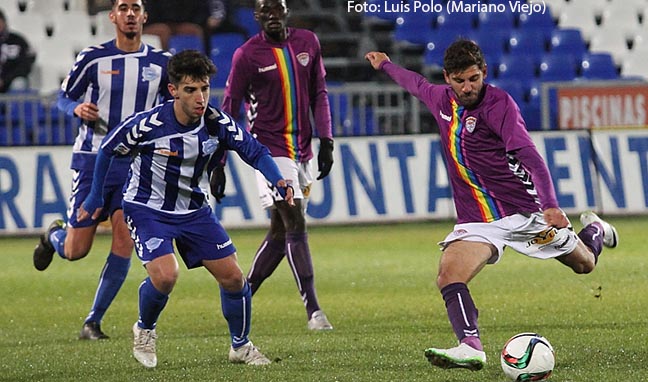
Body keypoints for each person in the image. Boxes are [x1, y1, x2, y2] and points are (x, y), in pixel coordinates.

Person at [365, 40, 619, 371]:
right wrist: (385, 64)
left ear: (484, 72)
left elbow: (531, 158)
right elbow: (414, 82)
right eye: (460, 81)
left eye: (473, 78)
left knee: (584, 265)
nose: (468, 87)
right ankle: (470, 345)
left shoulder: (500, 105)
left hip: (524, 215)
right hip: (479, 220)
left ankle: (596, 229)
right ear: (448, 78)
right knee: (448, 274)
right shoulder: (441, 99)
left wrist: (551, 205)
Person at [78, 49, 291, 368]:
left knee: (234, 278)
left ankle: (240, 346)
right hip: (147, 209)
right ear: (173, 90)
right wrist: (95, 199)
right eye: (191, 89)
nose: (200, 97)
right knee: (165, 276)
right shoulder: (148, 125)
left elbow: (255, 151)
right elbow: (108, 150)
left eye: (204, 88)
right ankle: (145, 329)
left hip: (194, 211)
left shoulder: (216, 122)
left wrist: (278, 180)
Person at [32, 0, 172, 341]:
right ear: (112, 17)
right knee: (76, 250)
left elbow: (171, 104)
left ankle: (92, 322)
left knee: (123, 238)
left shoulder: (161, 62)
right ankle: (54, 236)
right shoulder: (93, 58)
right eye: (122, 7)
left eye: (135, 8)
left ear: (143, 17)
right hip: (92, 161)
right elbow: (62, 98)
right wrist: (76, 107)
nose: (129, 14)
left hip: (134, 163)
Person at [217, 0, 335, 331]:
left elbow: (320, 93)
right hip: (269, 151)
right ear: (256, 16)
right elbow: (230, 108)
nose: (271, 16)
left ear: (286, 10)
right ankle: (314, 310)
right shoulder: (247, 55)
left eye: (276, 8)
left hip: (303, 151)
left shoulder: (308, 42)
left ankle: (243, 293)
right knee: (294, 217)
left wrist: (326, 140)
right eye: (264, 11)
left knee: (281, 232)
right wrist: (220, 160)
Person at [142, 0, 209, 51]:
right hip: (155, 24)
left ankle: (200, 63)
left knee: (196, 30)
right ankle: (165, 61)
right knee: (164, 30)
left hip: (178, 24)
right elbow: (149, 13)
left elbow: (198, 10)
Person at [0, 8, 36, 92]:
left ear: (4, 22)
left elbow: (25, 65)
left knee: (19, 84)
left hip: (11, 81)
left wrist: (4, 80)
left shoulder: (17, 40)